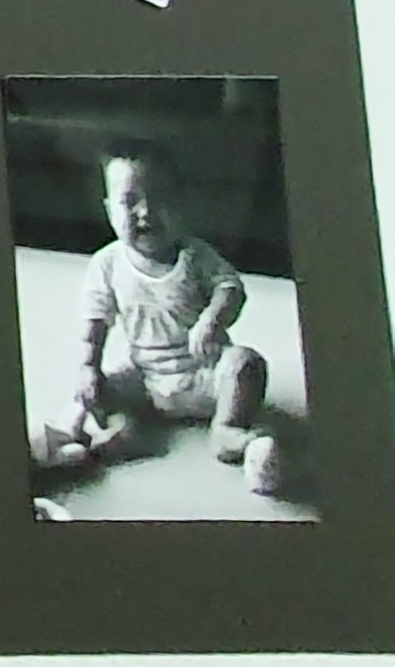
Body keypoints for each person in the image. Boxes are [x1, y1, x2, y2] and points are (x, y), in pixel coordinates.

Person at [37, 138, 278, 491]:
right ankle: (117, 429)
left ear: (182, 203)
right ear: (109, 210)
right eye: (129, 202)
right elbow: (94, 325)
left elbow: (231, 288)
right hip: (147, 379)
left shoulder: (195, 256)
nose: (146, 212)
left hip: (203, 371)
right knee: (98, 385)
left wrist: (211, 320)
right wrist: (89, 367)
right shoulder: (107, 264)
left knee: (246, 364)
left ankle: (230, 432)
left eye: (160, 199)